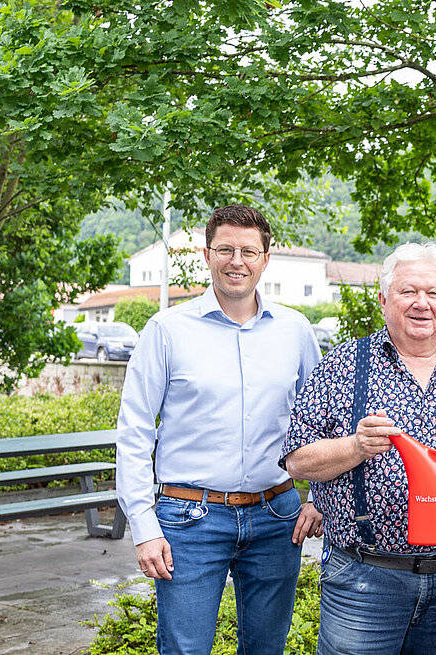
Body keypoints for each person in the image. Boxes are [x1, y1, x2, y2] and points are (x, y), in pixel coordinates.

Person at [115, 204, 323, 655]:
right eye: (225, 249)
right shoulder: (166, 330)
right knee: (186, 649)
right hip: (190, 519)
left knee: (267, 648)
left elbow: (321, 423)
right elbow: (133, 431)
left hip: (277, 516)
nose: (237, 261)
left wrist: (321, 499)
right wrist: (143, 525)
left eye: (249, 251)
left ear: (266, 259)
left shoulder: (296, 330)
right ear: (206, 254)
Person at [281, 242, 436, 655]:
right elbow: (297, 459)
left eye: (433, 293)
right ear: (384, 299)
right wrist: (355, 446)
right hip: (365, 579)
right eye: (408, 292)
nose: (422, 303)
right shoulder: (346, 363)